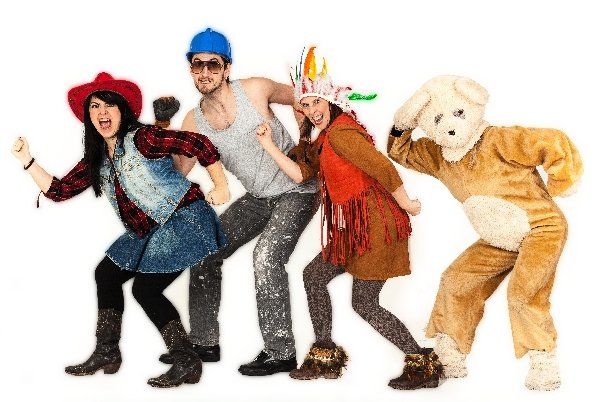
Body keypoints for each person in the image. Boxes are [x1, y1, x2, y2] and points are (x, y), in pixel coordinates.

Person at [10, 72, 230, 388]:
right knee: (107, 274)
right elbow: (59, 190)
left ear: (122, 110)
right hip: (149, 230)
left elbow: (197, 143)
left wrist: (220, 186)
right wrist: (27, 160)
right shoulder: (97, 158)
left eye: (109, 105)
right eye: (95, 106)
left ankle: (186, 361)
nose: (102, 112)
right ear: (88, 116)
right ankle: (107, 352)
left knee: (145, 290)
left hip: (185, 219)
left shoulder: (143, 138)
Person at [255, 46, 443, 390]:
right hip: (352, 230)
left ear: (330, 100)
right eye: (305, 105)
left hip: (376, 227)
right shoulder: (324, 138)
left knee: (364, 303)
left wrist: (407, 203)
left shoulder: (342, 133)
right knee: (314, 276)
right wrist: (272, 144)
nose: (312, 110)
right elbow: (300, 174)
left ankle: (422, 363)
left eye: (316, 102)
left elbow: (381, 166)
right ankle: (324, 356)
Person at [156, 27, 318, 376]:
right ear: (191, 69)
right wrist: (163, 129)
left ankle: (281, 352)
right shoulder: (194, 121)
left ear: (226, 68)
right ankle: (204, 343)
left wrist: (305, 140)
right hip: (258, 198)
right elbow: (179, 170)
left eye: (213, 64)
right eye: (197, 64)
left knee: (266, 257)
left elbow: (303, 98)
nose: (205, 72)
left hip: (297, 191)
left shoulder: (255, 89)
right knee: (205, 250)